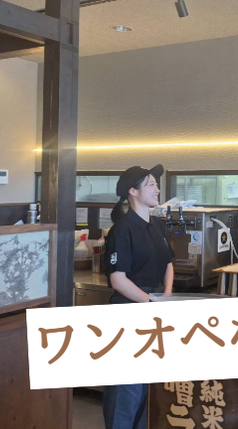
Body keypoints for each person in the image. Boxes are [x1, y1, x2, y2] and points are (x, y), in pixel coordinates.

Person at [102, 164, 175, 429]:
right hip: (128, 314)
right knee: (127, 389)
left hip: (154, 312)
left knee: (149, 387)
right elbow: (118, 279)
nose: (157, 189)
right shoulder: (122, 229)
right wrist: (152, 302)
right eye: (150, 184)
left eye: (156, 184)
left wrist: (167, 296)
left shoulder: (157, 225)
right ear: (132, 192)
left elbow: (168, 263)